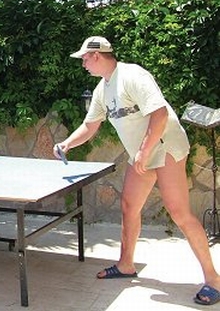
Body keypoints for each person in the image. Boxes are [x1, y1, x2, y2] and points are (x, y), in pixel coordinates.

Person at [54, 36, 220, 306]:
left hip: (165, 146)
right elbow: (90, 125)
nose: (83, 64)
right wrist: (67, 144)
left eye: (84, 58)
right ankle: (126, 264)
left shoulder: (133, 75)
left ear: (96, 56)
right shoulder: (102, 89)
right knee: (129, 205)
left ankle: (214, 279)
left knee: (179, 213)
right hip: (142, 152)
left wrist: (144, 151)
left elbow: (160, 114)